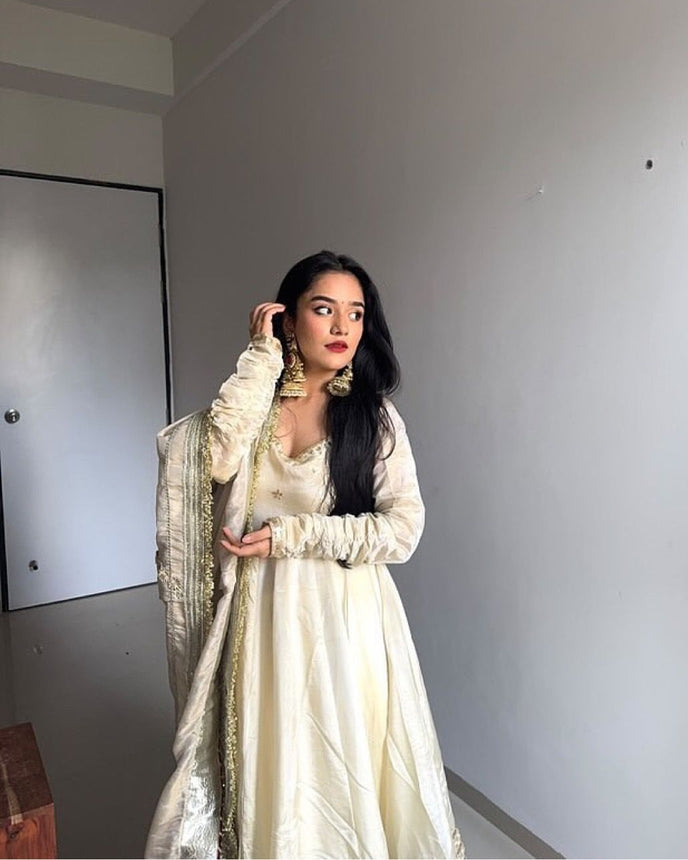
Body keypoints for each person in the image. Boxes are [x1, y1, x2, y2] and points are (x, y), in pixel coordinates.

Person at [145, 250, 466, 859]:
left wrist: (293, 535)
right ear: (288, 320)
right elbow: (208, 461)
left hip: (345, 618)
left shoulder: (374, 418)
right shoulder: (256, 403)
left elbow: (403, 530)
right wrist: (259, 359)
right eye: (324, 309)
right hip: (260, 615)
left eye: (356, 313)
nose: (343, 327)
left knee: (340, 752)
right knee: (273, 750)